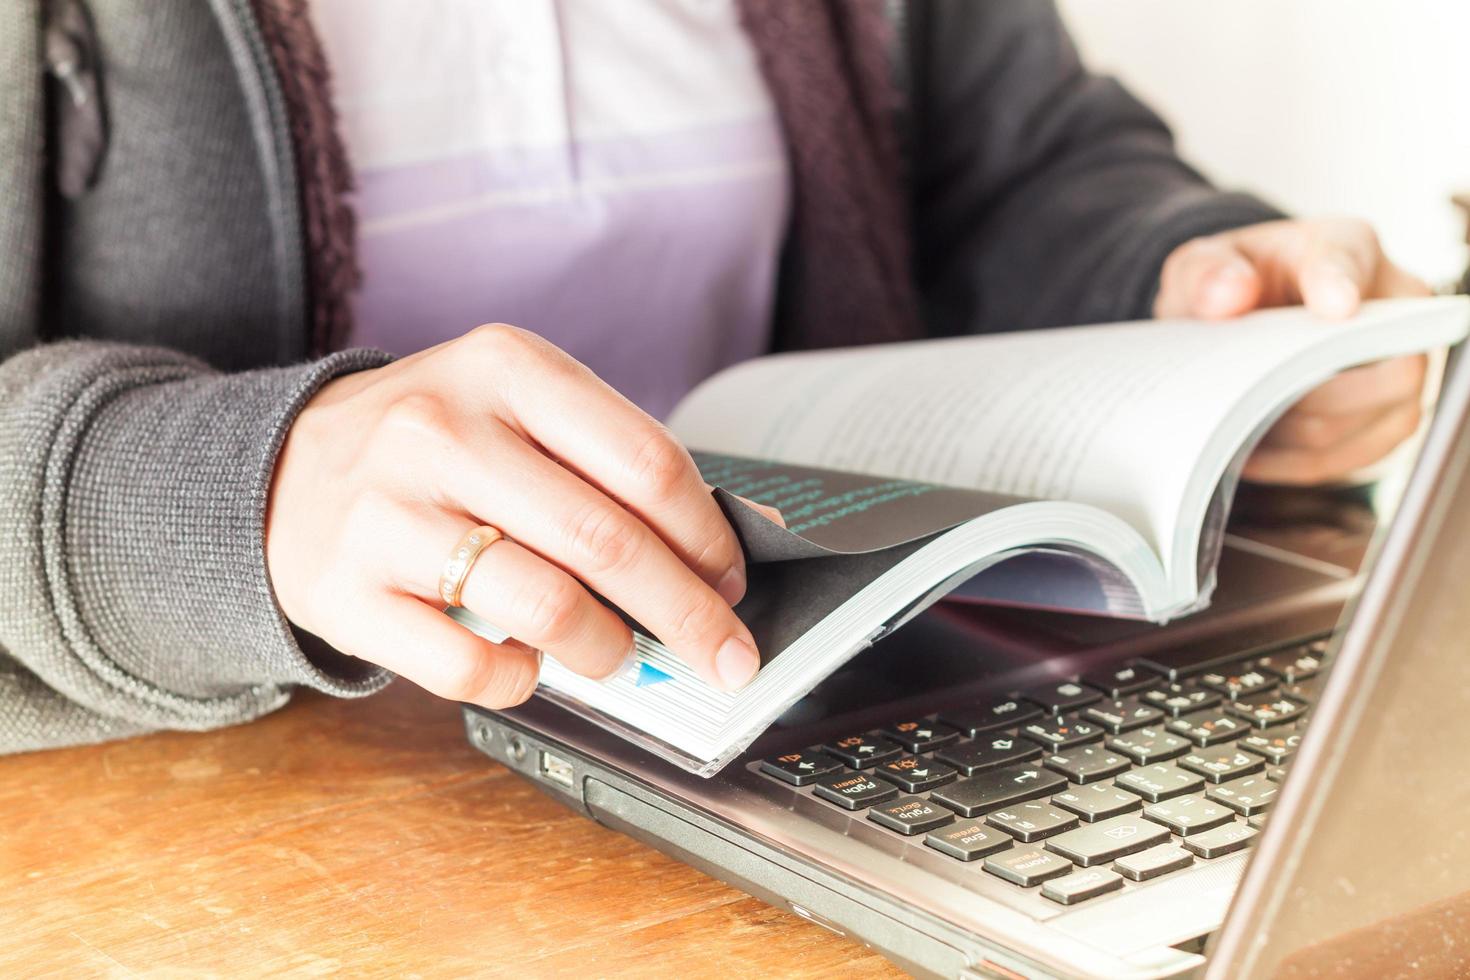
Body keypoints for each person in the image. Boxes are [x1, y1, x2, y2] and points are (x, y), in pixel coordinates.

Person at [0, 0, 1429, 754]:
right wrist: (234, 497)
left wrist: (1194, 285)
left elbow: (1023, 161)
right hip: (234, 821)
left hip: (809, 740)